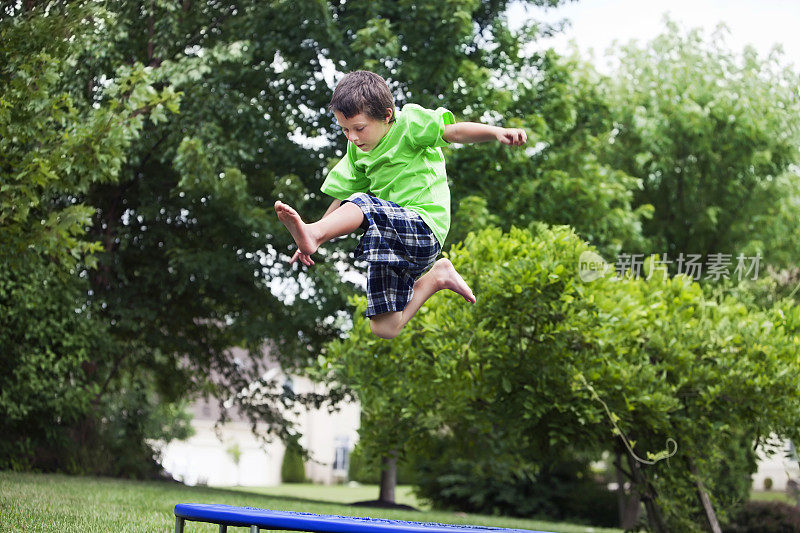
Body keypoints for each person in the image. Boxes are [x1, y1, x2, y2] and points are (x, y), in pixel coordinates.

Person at [274, 70, 526, 339]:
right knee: (384, 326)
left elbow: (454, 131)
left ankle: (313, 233)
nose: (353, 137)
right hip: (391, 239)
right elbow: (344, 197)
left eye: (359, 128)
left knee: (363, 204)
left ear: (387, 115)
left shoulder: (410, 125)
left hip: (423, 226)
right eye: (345, 130)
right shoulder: (357, 151)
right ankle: (439, 276)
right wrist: (319, 232)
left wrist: (497, 132)